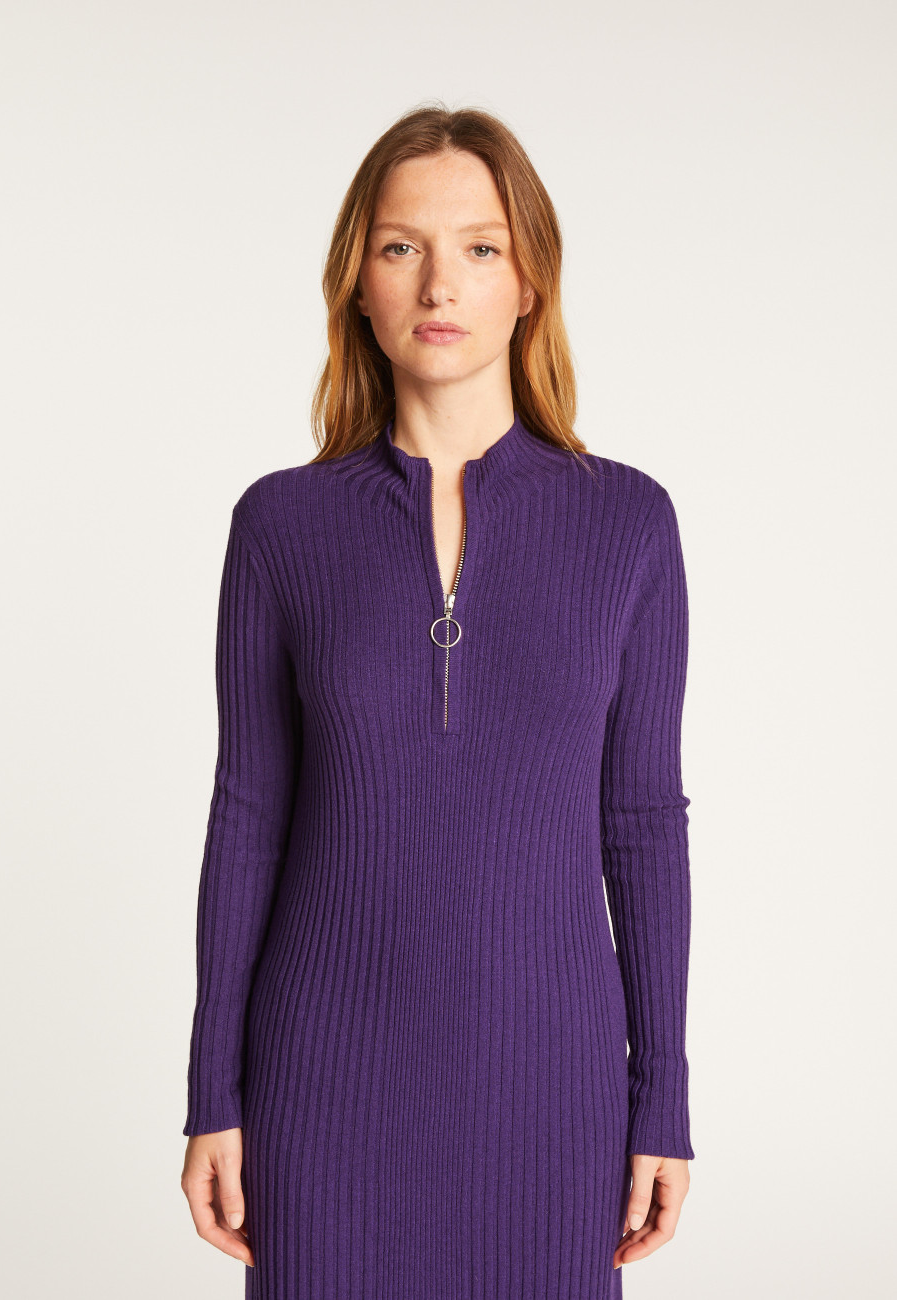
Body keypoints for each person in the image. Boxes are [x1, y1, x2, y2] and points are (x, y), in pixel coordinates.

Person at [180, 102, 695, 1300]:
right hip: (321, 1082)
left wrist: (661, 1092)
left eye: (481, 246)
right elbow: (247, 817)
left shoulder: (627, 524)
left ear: (530, 282)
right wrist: (212, 1090)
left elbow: (642, 825)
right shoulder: (281, 526)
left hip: (552, 1084)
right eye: (401, 246)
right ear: (358, 283)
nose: (439, 283)